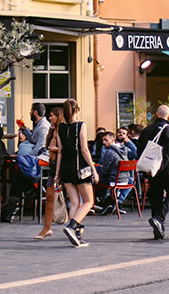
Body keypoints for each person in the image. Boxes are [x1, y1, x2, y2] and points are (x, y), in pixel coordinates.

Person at [55, 98, 98, 248]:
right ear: (77, 110)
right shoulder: (81, 125)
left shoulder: (59, 127)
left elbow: (60, 152)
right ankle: (73, 227)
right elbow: (84, 149)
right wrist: (93, 169)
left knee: (74, 202)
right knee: (88, 201)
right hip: (80, 167)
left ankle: (76, 233)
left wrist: (57, 173)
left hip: (65, 168)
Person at [137, 105, 169, 240]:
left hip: (151, 170)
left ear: (156, 114)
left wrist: (147, 167)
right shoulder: (168, 129)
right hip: (168, 169)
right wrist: (161, 166)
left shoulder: (146, 130)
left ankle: (158, 228)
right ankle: (159, 218)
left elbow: (139, 149)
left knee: (155, 196)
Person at [35, 106, 64, 240]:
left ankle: (76, 225)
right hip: (53, 165)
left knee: (72, 197)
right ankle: (46, 228)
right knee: (49, 197)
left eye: (53, 115)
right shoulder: (52, 131)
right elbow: (46, 145)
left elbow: (68, 149)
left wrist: (56, 149)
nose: (50, 118)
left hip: (63, 166)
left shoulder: (63, 130)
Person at [92, 131, 129, 215]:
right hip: (125, 180)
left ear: (112, 140)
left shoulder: (109, 152)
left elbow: (104, 171)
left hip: (113, 180)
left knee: (91, 180)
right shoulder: (124, 150)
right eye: (103, 140)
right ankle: (112, 201)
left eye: (106, 140)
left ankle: (96, 204)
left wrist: (97, 171)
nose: (103, 142)